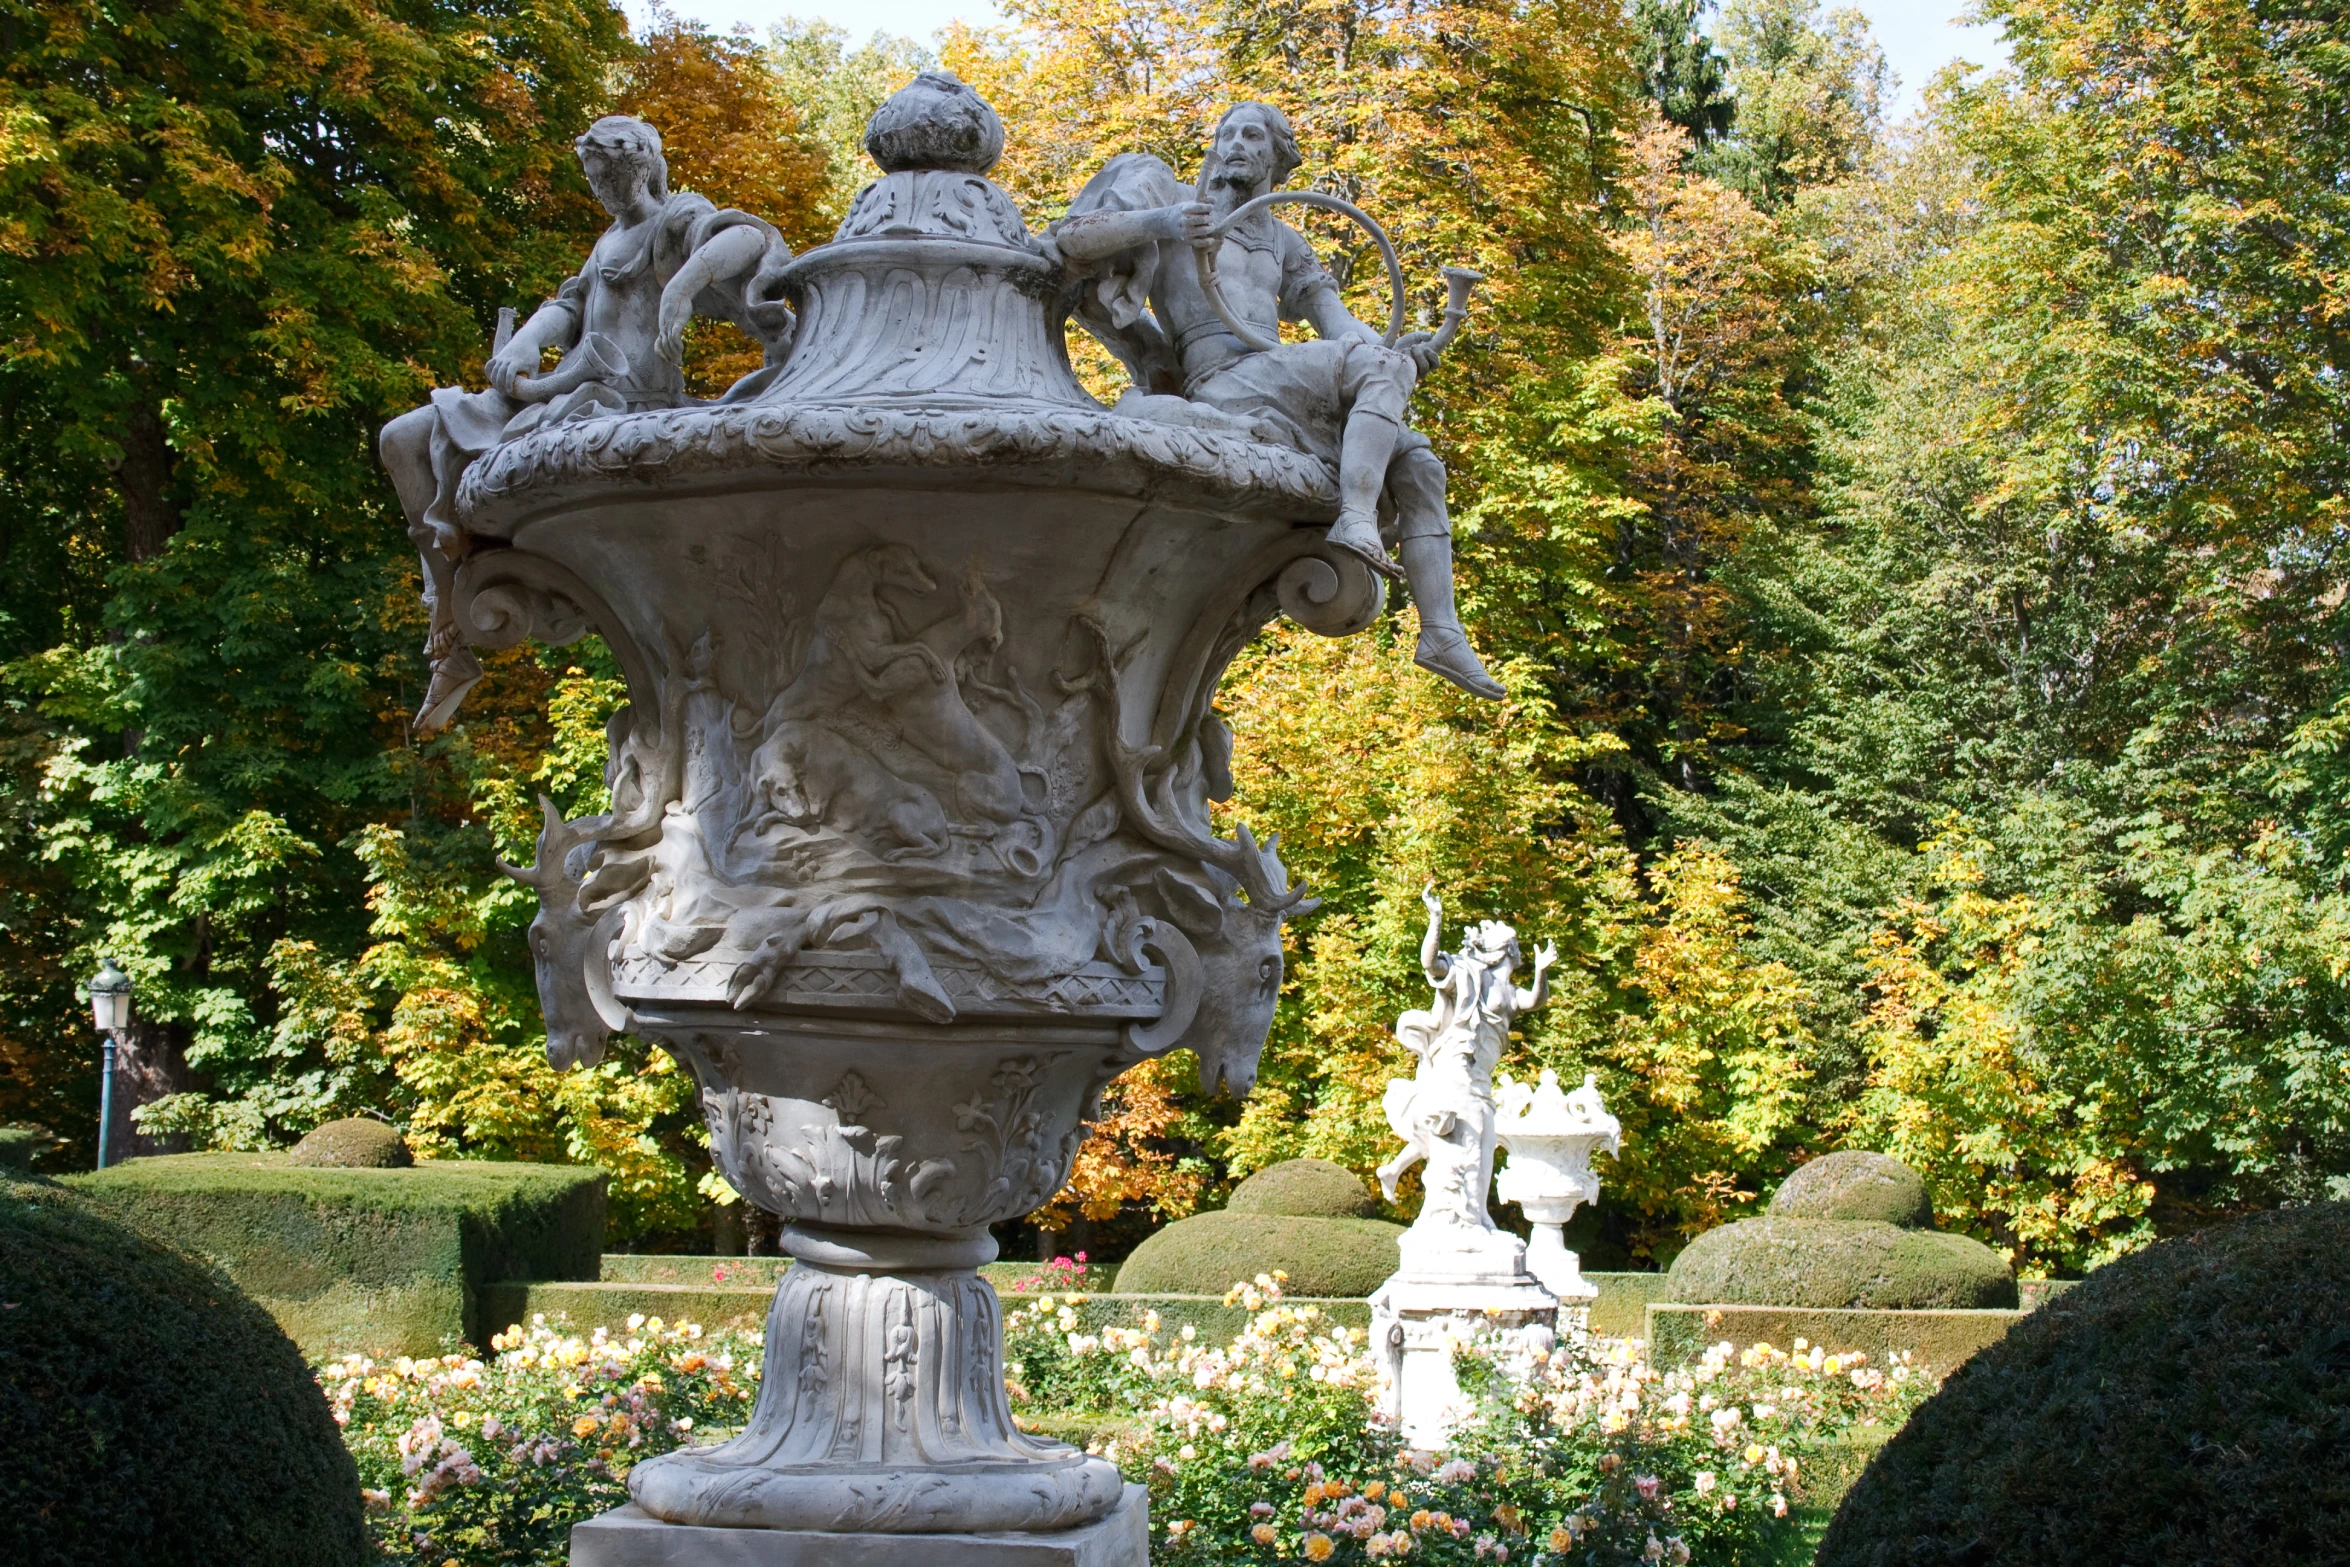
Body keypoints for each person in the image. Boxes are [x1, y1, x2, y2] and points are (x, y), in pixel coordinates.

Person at [1052, 102, 1503, 699]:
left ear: (1277, 154)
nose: (1235, 144)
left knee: (1418, 463)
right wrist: (1163, 222)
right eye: (1227, 134)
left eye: (1252, 135)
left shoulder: (1284, 240)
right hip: (1219, 379)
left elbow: (1342, 328)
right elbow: (1071, 240)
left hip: (1275, 375)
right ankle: (1356, 520)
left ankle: (1441, 633)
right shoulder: (1176, 201)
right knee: (1382, 380)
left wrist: (1402, 352)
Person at [378, 116, 793, 731]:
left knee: (436, 445)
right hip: (560, 393)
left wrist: (683, 284)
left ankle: (453, 630)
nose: (605, 192)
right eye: (597, 181)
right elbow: (570, 304)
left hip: (620, 404)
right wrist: (523, 344)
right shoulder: (607, 240)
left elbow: (748, 241)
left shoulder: (673, 220)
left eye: (615, 180)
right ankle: (448, 615)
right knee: (402, 438)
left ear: (646, 168)